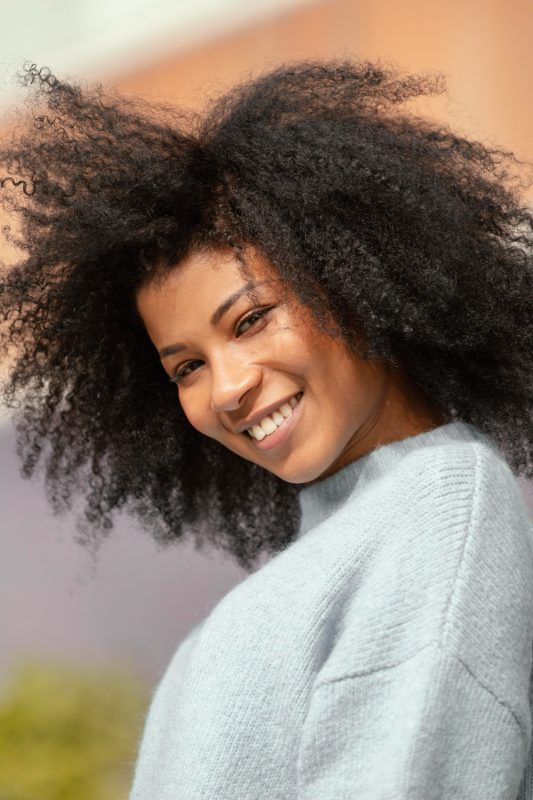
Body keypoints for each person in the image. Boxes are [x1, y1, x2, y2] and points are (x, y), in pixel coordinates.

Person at [1, 59, 533, 799]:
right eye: (185, 367)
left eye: (250, 319)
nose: (227, 387)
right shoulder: (336, 547)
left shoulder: (441, 506)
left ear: (355, 278)